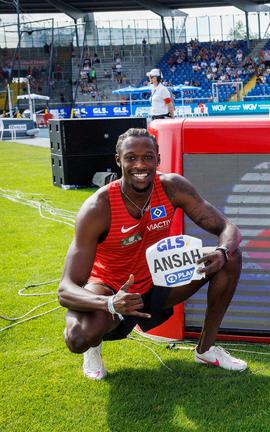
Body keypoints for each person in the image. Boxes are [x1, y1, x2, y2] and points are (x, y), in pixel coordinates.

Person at [58, 128, 247, 380]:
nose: (140, 164)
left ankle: (206, 349)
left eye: (148, 157)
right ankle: (94, 348)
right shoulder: (97, 207)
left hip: (159, 279)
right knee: (78, 337)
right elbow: (66, 289)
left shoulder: (172, 187)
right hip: (113, 288)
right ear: (118, 161)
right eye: (131, 157)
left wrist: (222, 251)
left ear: (158, 158)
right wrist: (110, 303)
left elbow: (227, 227)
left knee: (231, 257)